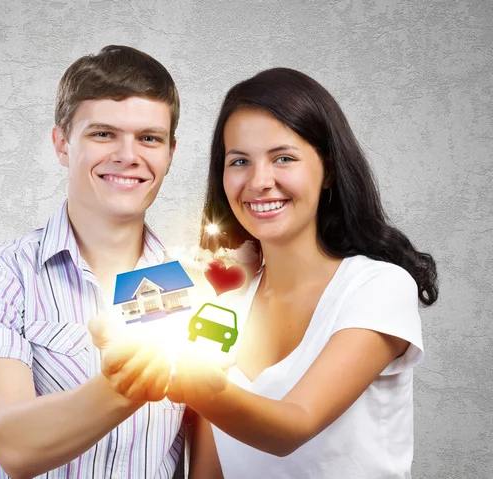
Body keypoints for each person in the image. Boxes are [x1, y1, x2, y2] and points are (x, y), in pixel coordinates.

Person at [96, 67, 438, 478]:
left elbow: (293, 425)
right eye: (239, 161)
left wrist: (186, 380)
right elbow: (107, 319)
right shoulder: (225, 306)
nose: (259, 182)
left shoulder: (376, 287)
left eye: (283, 158)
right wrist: (207, 279)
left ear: (327, 169)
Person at [0, 45, 186, 479]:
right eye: (103, 134)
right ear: (61, 144)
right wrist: (125, 386)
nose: (128, 155)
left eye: (149, 138)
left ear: (169, 152)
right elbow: (13, 445)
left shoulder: (189, 286)